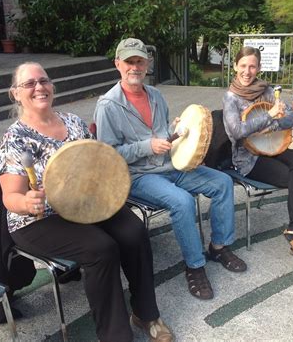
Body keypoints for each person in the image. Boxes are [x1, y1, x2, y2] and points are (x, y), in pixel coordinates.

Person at [0, 62, 173, 342]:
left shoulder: (73, 122)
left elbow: (99, 159)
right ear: (16, 93)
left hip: (83, 203)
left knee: (133, 230)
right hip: (38, 219)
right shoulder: (15, 139)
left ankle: (145, 313)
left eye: (44, 81)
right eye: (29, 84)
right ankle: (115, 336)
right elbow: (10, 197)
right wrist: (26, 202)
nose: (39, 87)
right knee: (100, 248)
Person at [94, 38, 247, 301]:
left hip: (170, 165)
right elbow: (107, 155)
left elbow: (163, 136)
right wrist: (146, 146)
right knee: (183, 202)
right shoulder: (108, 105)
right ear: (118, 64)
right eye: (129, 61)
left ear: (147, 64)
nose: (135, 67)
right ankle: (194, 266)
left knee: (222, 182)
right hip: (140, 175)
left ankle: (218, 246)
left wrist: (178, 132)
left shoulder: (156, 95)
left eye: (139, 61)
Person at [223, 46, 293, 266]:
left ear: (259, 68)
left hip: (274, 147)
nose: (247, 71)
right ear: (235, 66)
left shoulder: (267, 90)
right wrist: (268, 116)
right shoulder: (231, 98)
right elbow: (236, 131)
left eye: (252, 66)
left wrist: (273, 122)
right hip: (249, 158)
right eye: (243, 66)